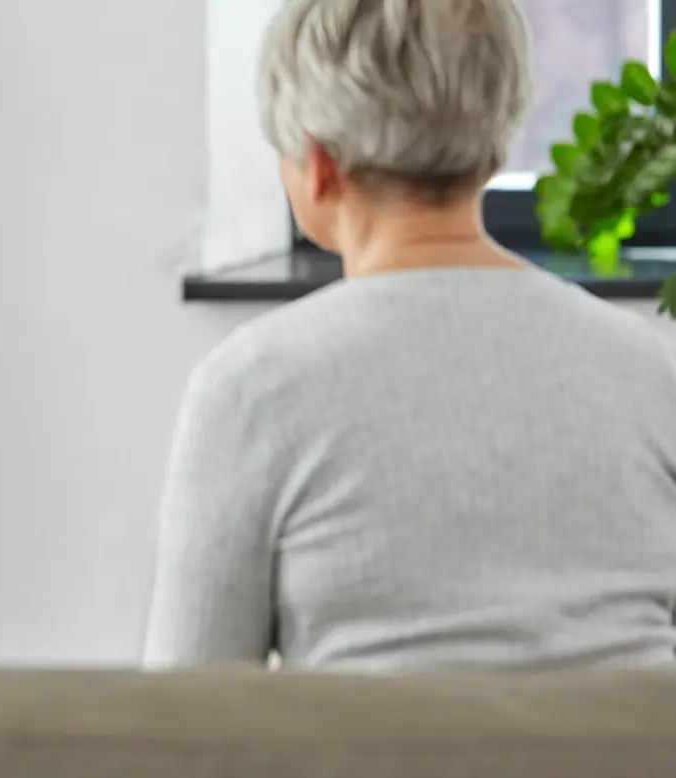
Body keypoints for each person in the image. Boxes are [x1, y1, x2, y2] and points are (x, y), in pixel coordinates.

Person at [142, 0, 676, 672]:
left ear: (317, 162)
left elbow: (186, 722)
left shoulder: (249, 390)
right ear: (497, 138)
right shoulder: (650, 371)